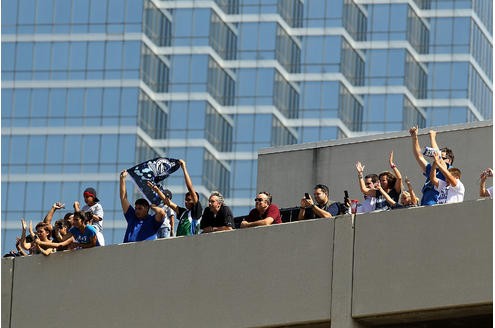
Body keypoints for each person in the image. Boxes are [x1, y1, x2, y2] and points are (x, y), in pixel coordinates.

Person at [149, 160, 202, 237]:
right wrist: (157, 190)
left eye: (189, 200)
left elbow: (190, 189)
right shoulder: (183, 212)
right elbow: (168, 203)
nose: (186, 201)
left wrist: (184, 168)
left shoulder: (196, 212)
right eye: (185, 199)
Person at [409, 127, 454, 205]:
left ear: (449, 160)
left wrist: (432, 138)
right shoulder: (433, 170)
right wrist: (414, 137)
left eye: (443, 158)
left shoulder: (451, 170)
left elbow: (439, 159)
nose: (439, 158)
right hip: (425, 204)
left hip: (436, 204)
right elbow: (419, 157)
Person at [120, 170, 166, 243]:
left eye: (140, 208)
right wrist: (122, 179)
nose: (137, 211)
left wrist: (152, 206)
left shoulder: (152, 220)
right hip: (128, 251)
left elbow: (162, 213)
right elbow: (123, 198)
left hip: (146, 252)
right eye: (136, 208)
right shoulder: (132, 217)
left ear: (147, 208)